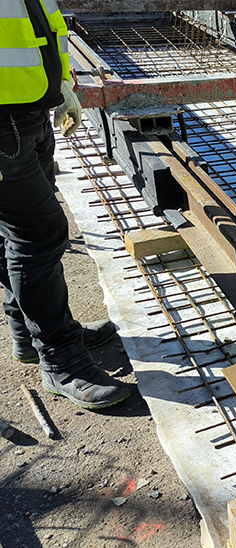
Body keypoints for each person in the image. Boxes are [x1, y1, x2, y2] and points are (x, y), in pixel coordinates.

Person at [0, 0, 130, 409]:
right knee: (38, 235)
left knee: (15, 233)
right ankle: (61, 359)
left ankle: (28, 333)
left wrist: (65, 86)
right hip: (3, 124)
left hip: (30, 109)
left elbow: (41, 24)